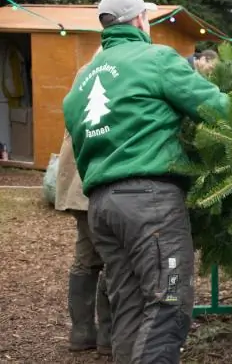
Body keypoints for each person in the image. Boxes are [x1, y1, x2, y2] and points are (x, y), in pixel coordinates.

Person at [62, 0, 232, 363]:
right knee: (169, 302)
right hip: (151, 204)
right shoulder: (155, 59)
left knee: (128, 304)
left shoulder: (80, 82)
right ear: (140, 21)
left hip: (101, 208)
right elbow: (214, 107)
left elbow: (80, 148)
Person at [56, 47, 111, 357]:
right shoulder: (108, 79)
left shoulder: (84, 75)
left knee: (86, 257)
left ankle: (82, 333)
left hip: (79, 185)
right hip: (96, 182)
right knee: (114, 259)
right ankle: (108, 335)